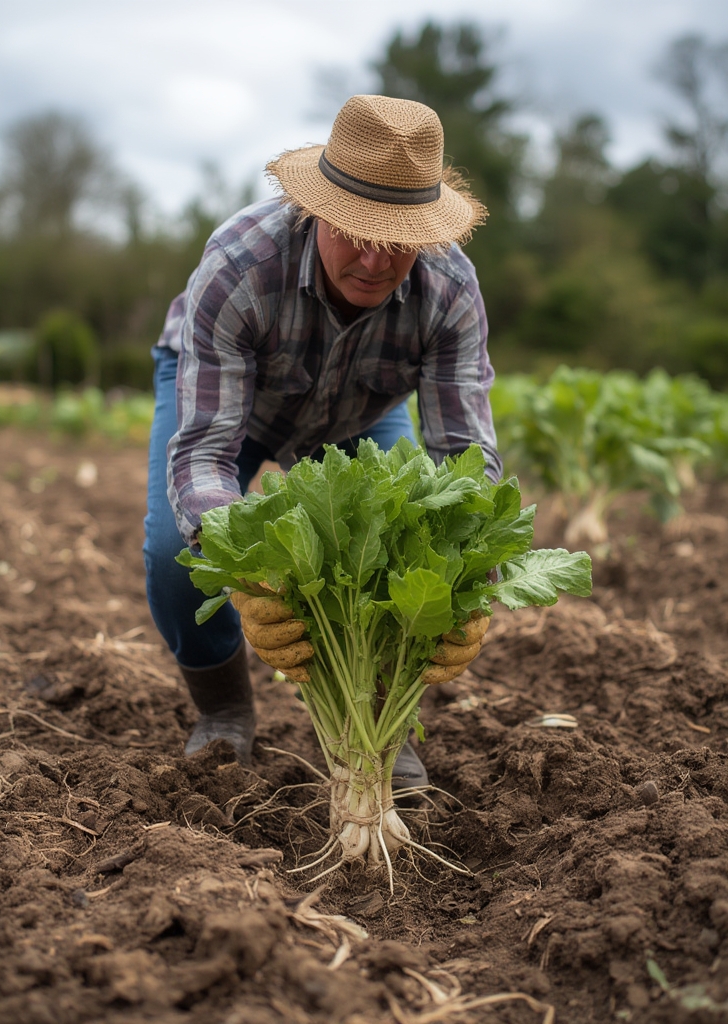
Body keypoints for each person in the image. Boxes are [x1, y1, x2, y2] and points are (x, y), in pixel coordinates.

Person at [144, 94, 503, 787]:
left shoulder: (451, 289)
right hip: (231, 406)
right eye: (355, 232)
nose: (374, 259)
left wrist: (467, 580)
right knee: (173, 552)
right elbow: (204, 457)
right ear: (317, 210)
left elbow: (462, 457)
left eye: (399, 240)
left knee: (402, 541)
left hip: (359, 412)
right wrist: (247, 569)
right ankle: (223, 714)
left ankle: (379, 724)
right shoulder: (240, 265)